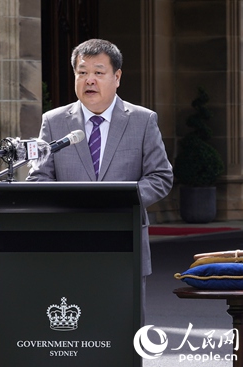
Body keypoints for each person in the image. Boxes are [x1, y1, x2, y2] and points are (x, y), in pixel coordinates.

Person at [26, 39, 173, 322]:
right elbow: (40, 177)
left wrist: (120, 200)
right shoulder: (54, 122)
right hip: (68, 245)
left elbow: (160, 177)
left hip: (124, 243)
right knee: (75, 332)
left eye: (98, 72)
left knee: (121, 329)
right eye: (82, 73)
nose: (89, 80)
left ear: (117, 77)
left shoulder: (143, 121)